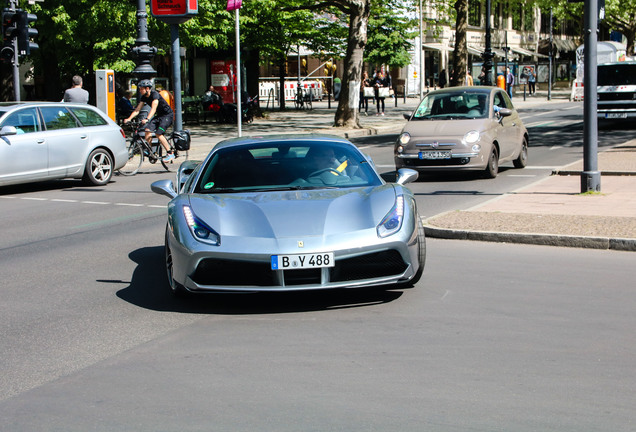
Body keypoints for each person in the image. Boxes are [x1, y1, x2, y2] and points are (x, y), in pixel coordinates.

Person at [124, 79, 175, 163]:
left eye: (141, 89)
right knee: (147, 130)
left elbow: (154, 108)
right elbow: (137, 110)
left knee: (158, 133)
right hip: (159, 116)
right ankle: (152, 152)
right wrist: (129, 119)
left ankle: (170, 153)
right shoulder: (144, 97)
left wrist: (147, 119)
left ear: (147, 88)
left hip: (167, 115)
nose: (140, 90)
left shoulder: (155, 95)